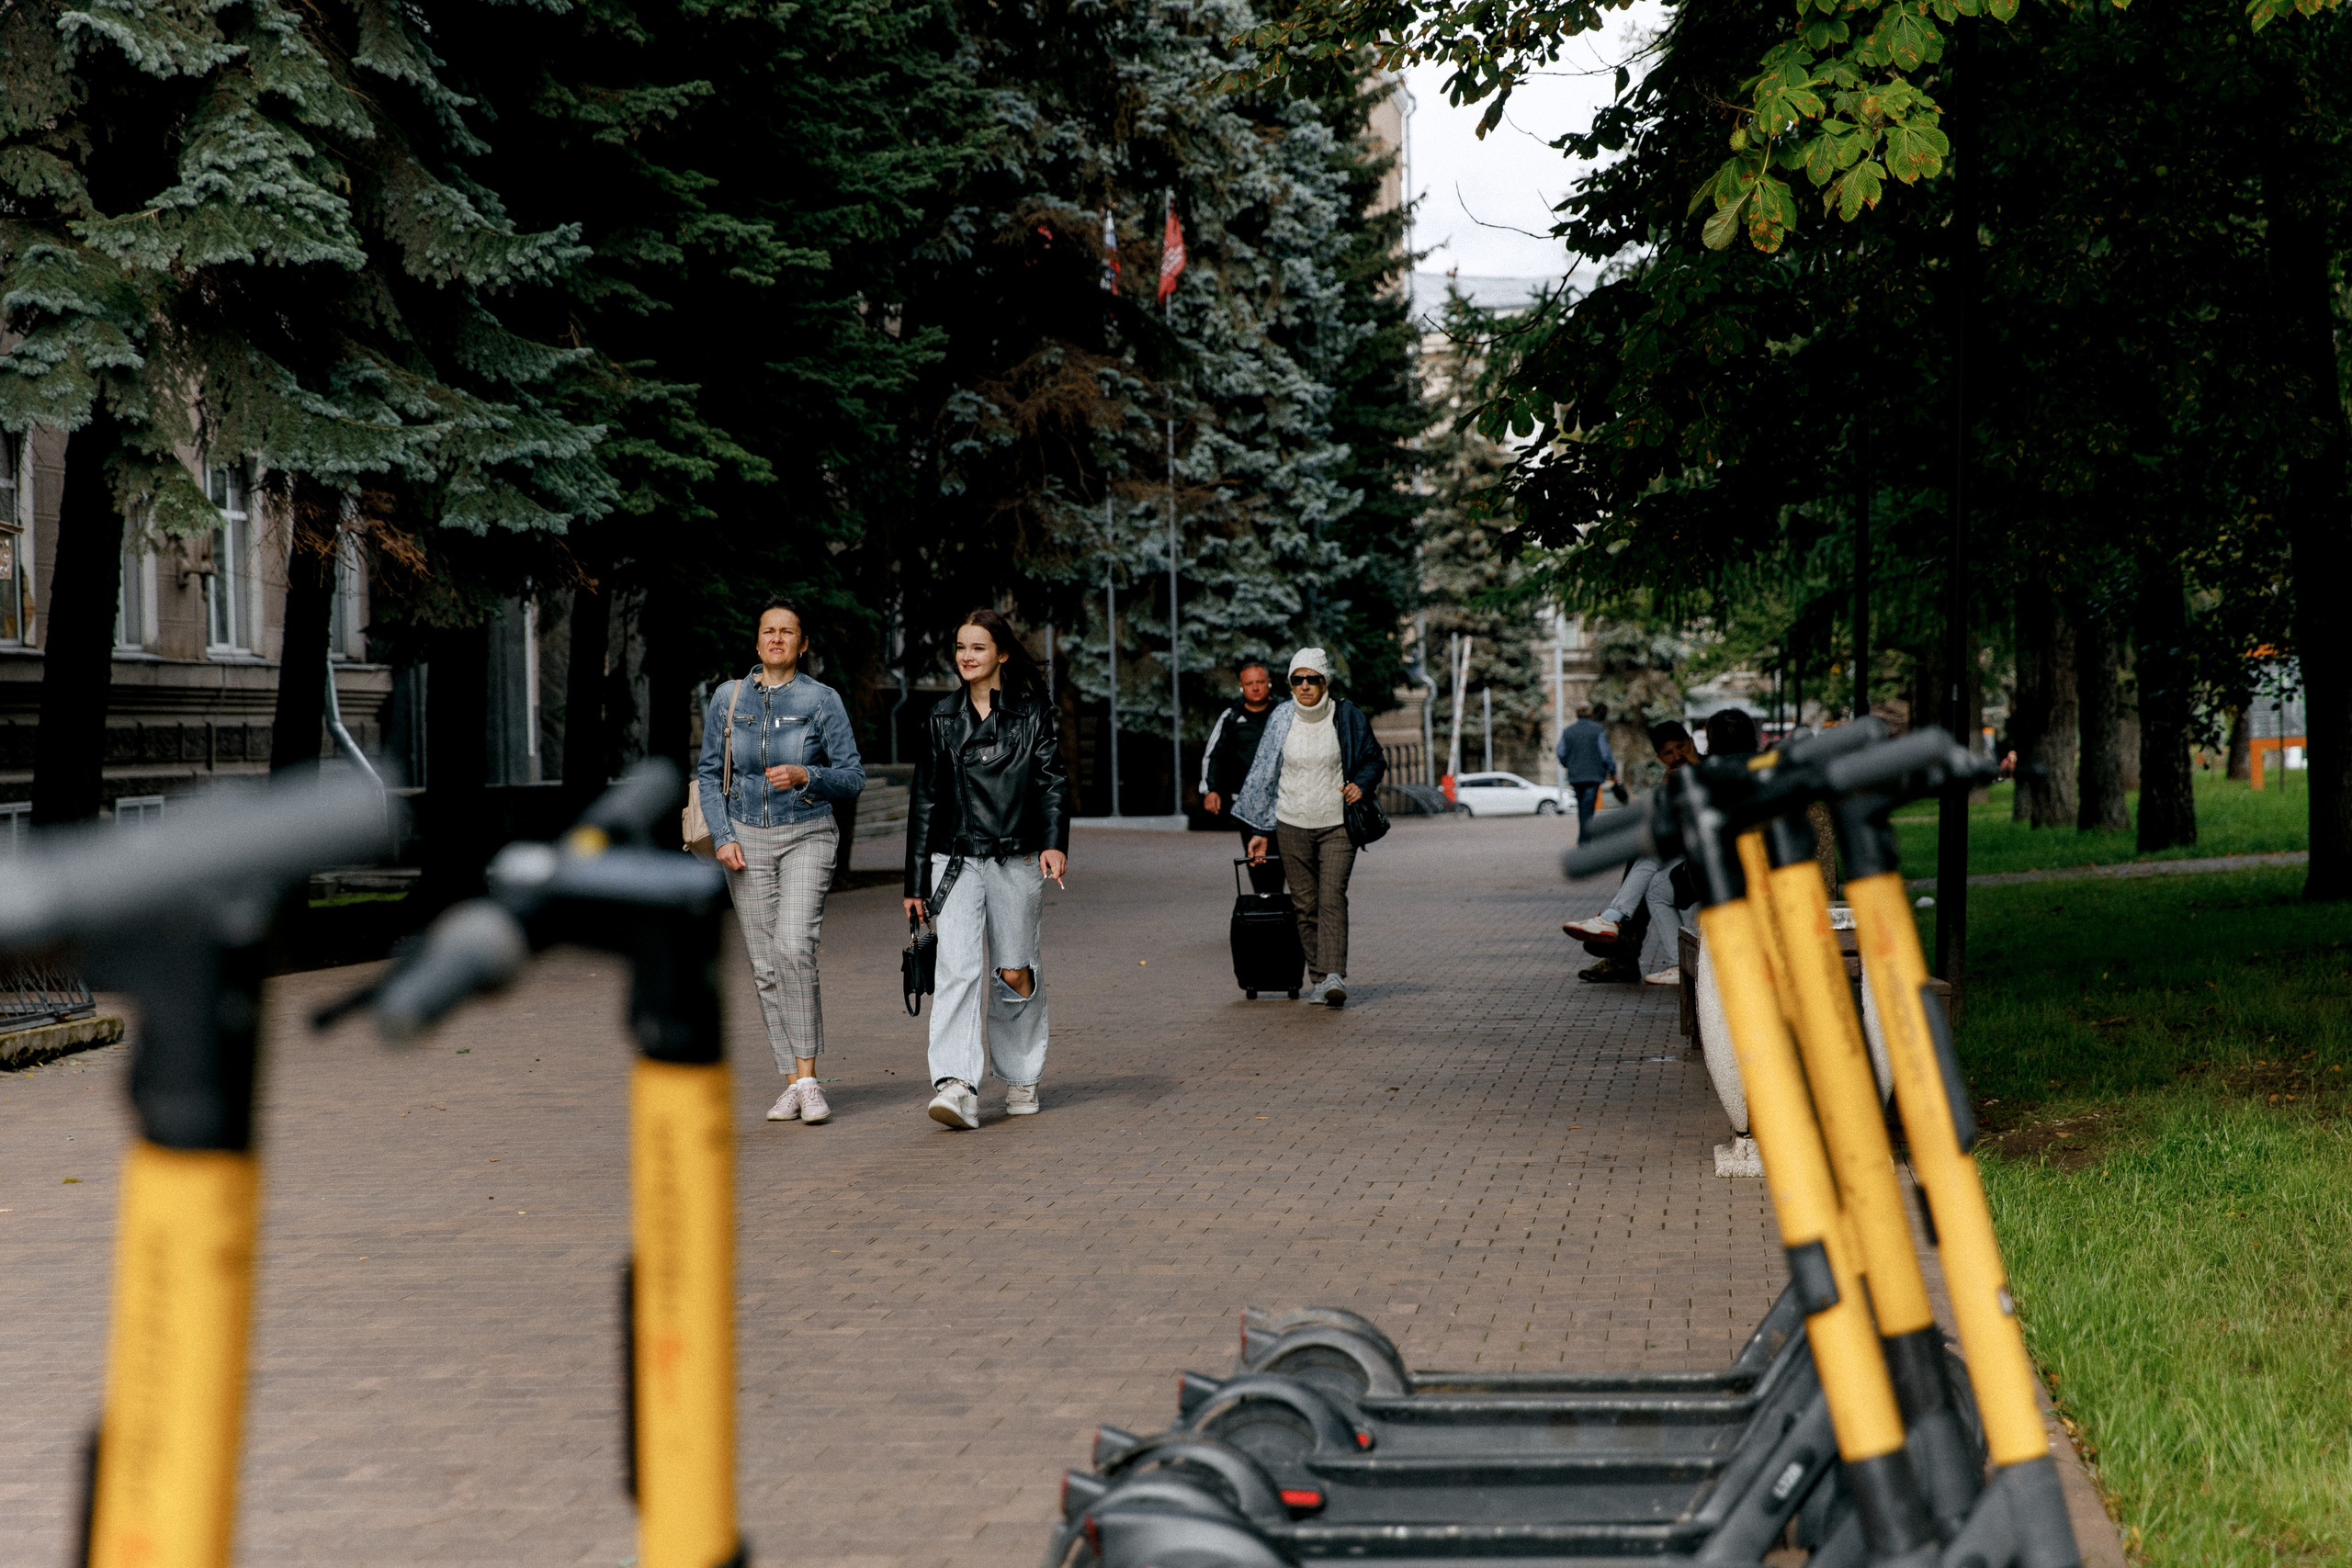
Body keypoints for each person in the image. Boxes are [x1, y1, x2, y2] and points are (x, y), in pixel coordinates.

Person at [698, 595, 865, 1125]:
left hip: (807, 834)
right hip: (744, 841)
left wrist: (806, 776)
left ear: (802, 643)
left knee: (794, 946)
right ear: (756, 641)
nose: (776, 639)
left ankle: (810, 1079)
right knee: (765, 963)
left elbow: (853, 776)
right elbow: (708, 774)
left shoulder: (822, 700)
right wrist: (722, 835)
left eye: (787, 632)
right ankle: (792, 1081)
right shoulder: (728, 697)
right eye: (768, 631)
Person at [904, 608, 1071, 1129]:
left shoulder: (1032, 711)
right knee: (957, 968)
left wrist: (1053, 843)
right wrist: (913, 882)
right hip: (953, 860)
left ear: (1000, 653)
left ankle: (1021, 1075)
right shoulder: (941, 716)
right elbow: (924, 799)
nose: (966, 657)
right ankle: (956, 1084)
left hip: (1016, 855)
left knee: (1013, 971)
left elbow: (1051, 781)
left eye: (977, 648)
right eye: (960, 648)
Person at [1233, 648, 1386, 1007]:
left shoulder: (1346, 716)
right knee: (1305, 905)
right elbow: (1266, 777)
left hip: (1337, 823)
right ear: (1289, 683)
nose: (1304, 686)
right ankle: (1318, 979)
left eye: (1312, 679)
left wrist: (1361, 784)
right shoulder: (1282, 719)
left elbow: (1373, 758)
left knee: (1331, 897)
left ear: (1324, 682)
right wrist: (1260, 831)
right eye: (1297, 679)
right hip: (1291, 824)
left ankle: (1334, 976)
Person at [1563, 720, 1700, 985]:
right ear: (1660, 758)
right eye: (1669, 754)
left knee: (1649, 859)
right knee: (1650, 870)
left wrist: (1696, 765)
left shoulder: (1709, 767)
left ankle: (1616, 925)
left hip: (1708, 857)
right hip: (1687, 857)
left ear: (1691, 743)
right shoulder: (1672, 778)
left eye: (1681, 748)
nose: (1677, 757)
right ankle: (1620, 930)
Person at [1201, 660, 1282, 890]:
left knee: (1283, 861)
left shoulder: (1284, 712)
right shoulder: (1231, 717)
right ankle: (1264, 903)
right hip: (1247, 805)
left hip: (1283, 800)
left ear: (1269, 683)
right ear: (1241, 687)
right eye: (1249, 683)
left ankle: (1280, 908)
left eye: (1260, 682)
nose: (1255, 688)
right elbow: (1213, 755)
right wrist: (1211, 789)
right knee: (1257, 861)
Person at [1555, 702, 1619, 837]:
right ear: (1591, 714)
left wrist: (1570, 764)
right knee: (1588, 807)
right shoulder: (1597, 730)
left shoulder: (1568, 731)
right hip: (1593, 776)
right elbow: (1605, 754)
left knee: (1582, 807)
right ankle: (1585, 838)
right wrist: (1612, 772)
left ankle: (1584, 836)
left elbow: (1560, 752)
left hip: (1576, 776)